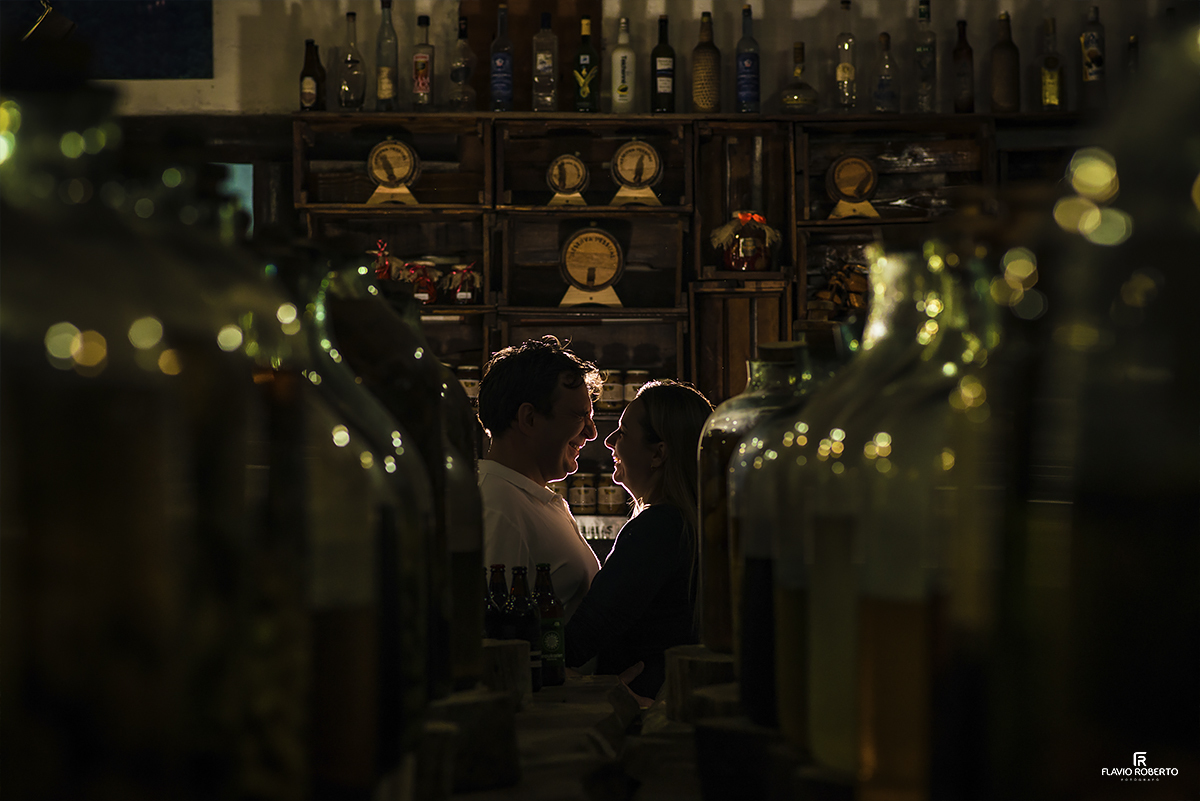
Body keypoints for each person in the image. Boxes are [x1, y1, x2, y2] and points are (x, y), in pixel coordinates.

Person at [565, 380, 714, 700]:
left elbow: (579, 640)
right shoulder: (689, 522)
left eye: (623, 432)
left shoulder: (657, 529)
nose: (608, 441)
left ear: (659, 453)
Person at [477, 336, 604, 620]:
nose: (591, 432)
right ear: (529, 419)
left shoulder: (527, 497)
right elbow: (498, 639)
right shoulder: (497, 507)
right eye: (579, 416)